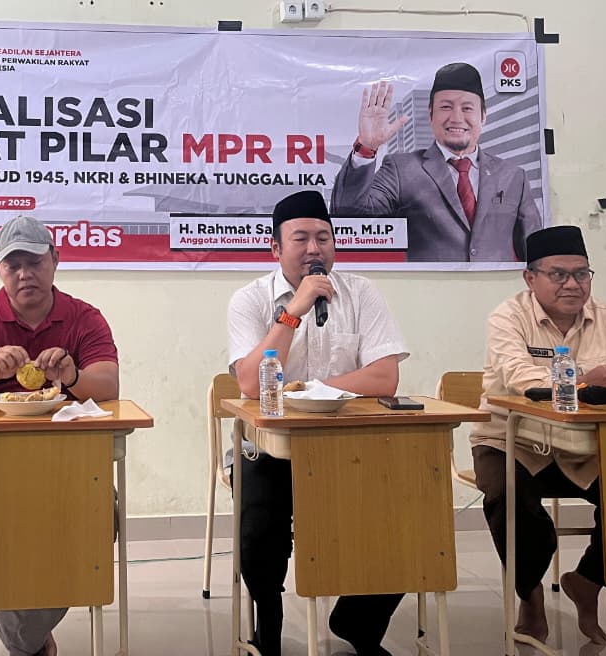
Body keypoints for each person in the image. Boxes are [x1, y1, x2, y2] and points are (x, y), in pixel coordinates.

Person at [227, 190, 409, 656]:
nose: (314, 249)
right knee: (259, 524)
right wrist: (294, 311)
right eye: (301, 238)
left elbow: (384, 377)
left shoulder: (361, 293)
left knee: (409, 512)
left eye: (324, 238)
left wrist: (309, 391)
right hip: (269, 447)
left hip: (350, 446)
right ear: (275, 248)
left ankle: (358, 623)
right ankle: (268, 620)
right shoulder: (249, 300)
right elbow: (250, 384)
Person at [0, 214, 120, 656]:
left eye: (34, 262)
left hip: (73, 467)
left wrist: (72, 376)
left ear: (55, 260)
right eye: (13, 265)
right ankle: (27, 637)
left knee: (99, 520)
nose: (24, 274)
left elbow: (109, 386)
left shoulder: (84, 318)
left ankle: (22, 633)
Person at [470, 225, 606, 645]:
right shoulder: (507, 317)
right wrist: (589, 380)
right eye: (558, 274)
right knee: (506, 496)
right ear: (530, 277)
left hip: (583, 447)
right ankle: (530, 592)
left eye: (581, 274)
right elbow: (522, 380)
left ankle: (589, 579)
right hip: (511, 441)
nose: (572, 284)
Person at [330, 62, 541, 262]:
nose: (456, 118)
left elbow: (535, 252)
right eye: (446, 107)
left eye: (467, 108)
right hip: (427, 288)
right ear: (430, 114)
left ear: (483, 116)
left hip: (498, 288)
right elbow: (349, 215)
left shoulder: (513, 176)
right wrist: (367, 147)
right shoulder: (402, 169)